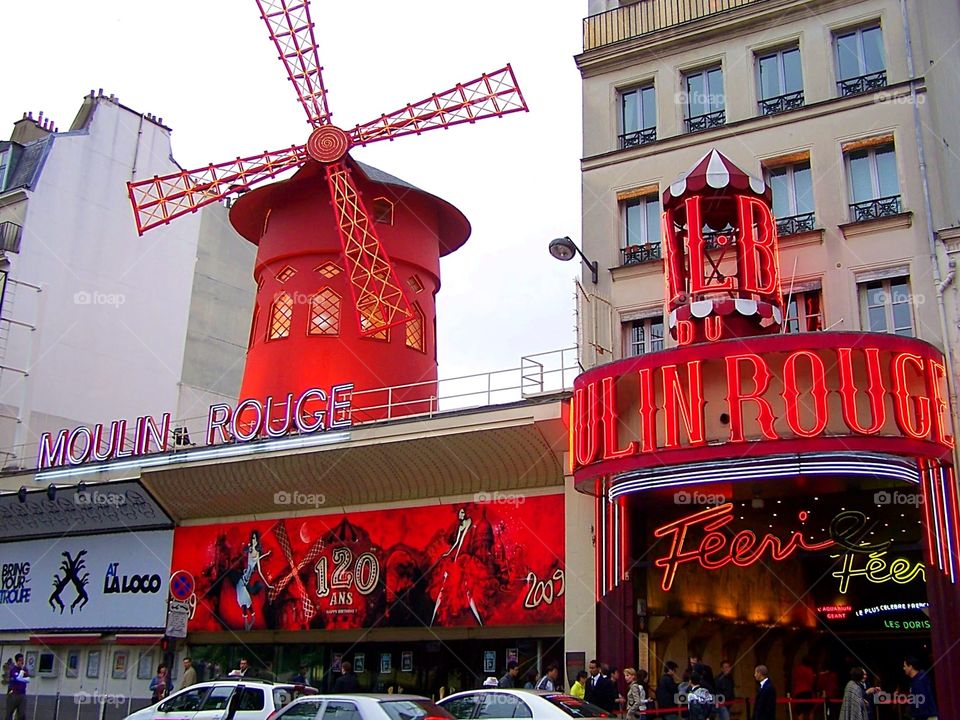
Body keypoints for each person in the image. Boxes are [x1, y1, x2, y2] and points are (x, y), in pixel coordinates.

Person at [4, 653, 29, 720]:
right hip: (13, 694)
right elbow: (15, 679)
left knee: (22, 714)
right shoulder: (13, 669)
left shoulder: (25, 669)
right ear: (17, 661)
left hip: (22, 694)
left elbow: (27, 678)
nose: (22, 662)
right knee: (9, 713)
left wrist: (23, 671)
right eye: (20, 660)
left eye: (22, 660)